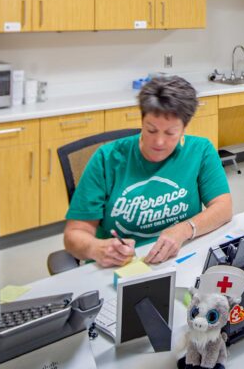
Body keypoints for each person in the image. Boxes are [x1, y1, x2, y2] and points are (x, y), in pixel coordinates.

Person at [63, 76, 233, 267]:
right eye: (151, 130)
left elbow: (223, 207)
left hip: (181, 257)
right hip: (121, 267)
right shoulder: (107, 159)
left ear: (184, 128)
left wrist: (185, 229)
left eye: (170, 133)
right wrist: (97, 248)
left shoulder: (199, 150)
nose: (159, 142)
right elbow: (74, 235)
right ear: (142, 120)